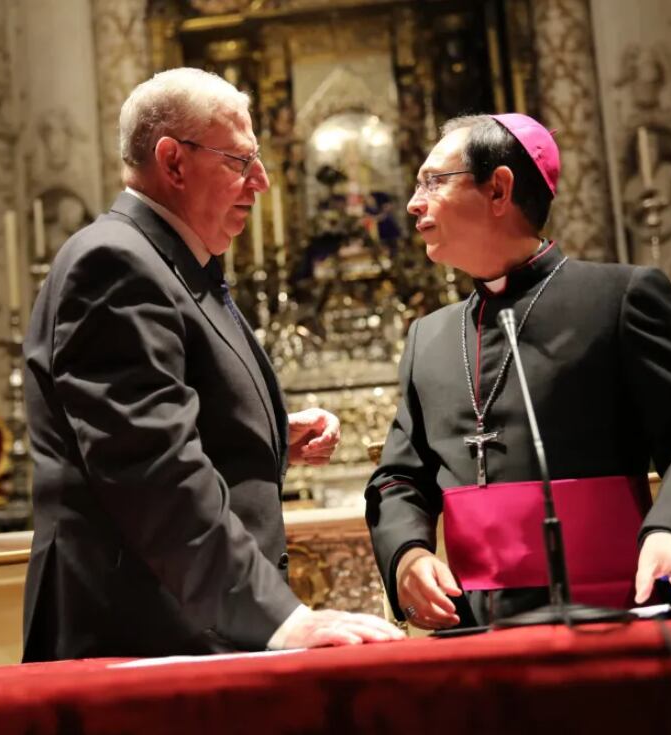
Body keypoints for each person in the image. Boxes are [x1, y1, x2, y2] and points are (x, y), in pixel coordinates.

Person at [22, 67, 403, 659]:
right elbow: (153, 472)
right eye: (240, 161)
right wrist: (281, 620)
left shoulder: (168, 260)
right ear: (173, 162)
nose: (263, 182)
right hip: (140, 638)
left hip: (178, 625)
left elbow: (163, 414)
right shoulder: (115, 264)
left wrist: (266, 432)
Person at [366, 113, 671, 629]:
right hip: (475, 633)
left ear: (499, 189)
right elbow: (398, 478)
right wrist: (407, 555)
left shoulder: (620, 299)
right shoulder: (428, 338)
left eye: (433, 182)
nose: (414, 203)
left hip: (616, 617)